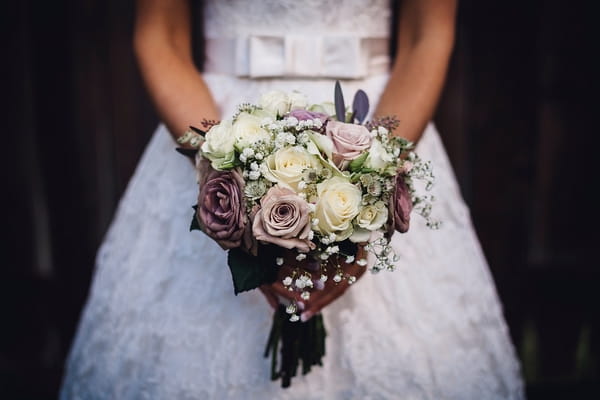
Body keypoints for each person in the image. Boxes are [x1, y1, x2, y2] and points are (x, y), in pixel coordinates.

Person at [60, 0, 525, 398]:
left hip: (373, 123)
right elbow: (158, 34)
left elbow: (429, 34)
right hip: (221, 123)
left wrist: (372, 187)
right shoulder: (224, 151)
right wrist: (230, 177)